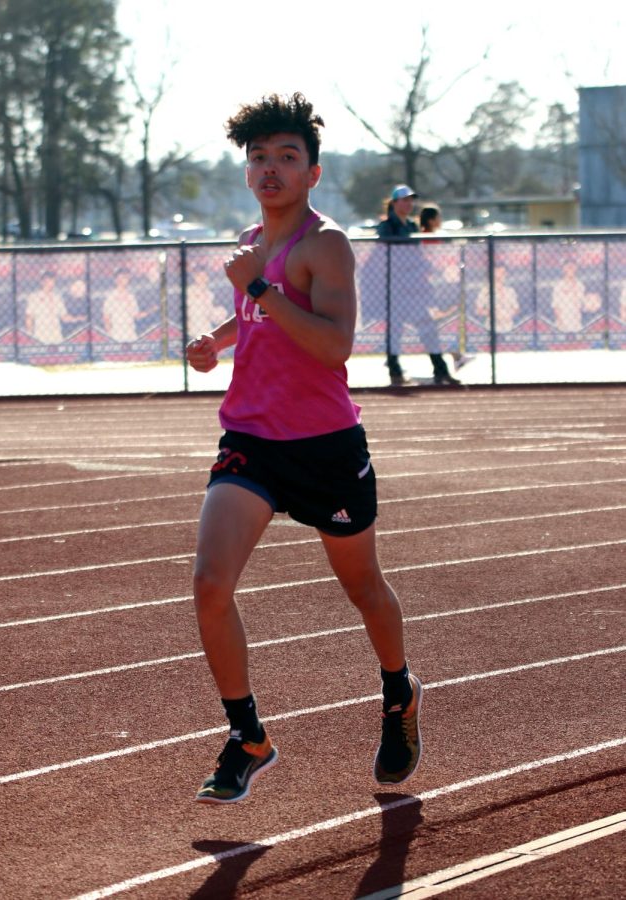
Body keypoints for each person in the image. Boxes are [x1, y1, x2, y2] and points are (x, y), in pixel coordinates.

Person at [186, 93, 422, 805]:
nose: (270, 169)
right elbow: (257, 315)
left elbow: (330, 345)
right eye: (258, 157)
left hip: (325, 448)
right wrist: (216, 340)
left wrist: (256, 281)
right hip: (251, 440)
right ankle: (247, 736)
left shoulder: (325, 246)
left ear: (312, 173)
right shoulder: (251, 239)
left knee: (362, 589)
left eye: (286, 157)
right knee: (208, 585)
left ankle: (397, 690)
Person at [419, 205, 474, 375]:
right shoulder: (428, 239)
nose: (440, 221)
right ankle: (455, 356)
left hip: (437, 288)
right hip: (431, 289)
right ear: (431, 220)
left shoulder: (430, 238)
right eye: (438, 217)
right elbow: (436, 264)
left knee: (439, 325)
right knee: (435, 326)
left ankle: (456, 355)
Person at [376, 185, 419, 386]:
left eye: (411, 200)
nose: (408, 203)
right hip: (393, 285)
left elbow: (417, 255)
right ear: (394, 203)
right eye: (404, 200)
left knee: (426, 323)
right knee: (396, 329)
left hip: (413, 285)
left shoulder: (412, 226)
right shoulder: (386, 226)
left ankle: (440, 368)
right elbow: (383, 252)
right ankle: (395, 371)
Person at [24, 271, 85, 344]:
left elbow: (64, 317)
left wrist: (78, 319)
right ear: (42, 282)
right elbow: (29, 318)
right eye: (47, 279)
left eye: (52, 279)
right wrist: (30, 337)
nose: (50, 282)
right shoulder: (34, 297)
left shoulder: (57, 298)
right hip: (40, 337)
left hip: (57, 337)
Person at [102, 268, 157, 342]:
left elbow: (137, 316)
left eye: (126, 277)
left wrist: (151, 310)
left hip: (130, 333)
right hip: (116, 334)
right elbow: (106, 318)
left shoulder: (131, 297)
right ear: (116, 280)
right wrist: (110, 335)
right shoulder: (110, 297)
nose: (124, 280)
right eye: (121, 277)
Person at [549, 257, 601, 332]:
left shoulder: (580, 285)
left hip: (577, 324)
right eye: (567, 266)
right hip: (562, 325)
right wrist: (561, 323)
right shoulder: (558, 286)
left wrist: (592, 304)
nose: (570, 268)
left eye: (572, 266)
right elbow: (556, 307)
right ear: (563, 269)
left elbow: (582, 306)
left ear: (576, 268)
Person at [475, 263, 520, 333]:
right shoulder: (485, 291)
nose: (500, 276)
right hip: (490, 328)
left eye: (503, 273)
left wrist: (508, 314)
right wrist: (491, 313)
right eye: (497, 273)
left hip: (509, 327)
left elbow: (516, 309)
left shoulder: (510, 291)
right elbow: (478, 310)